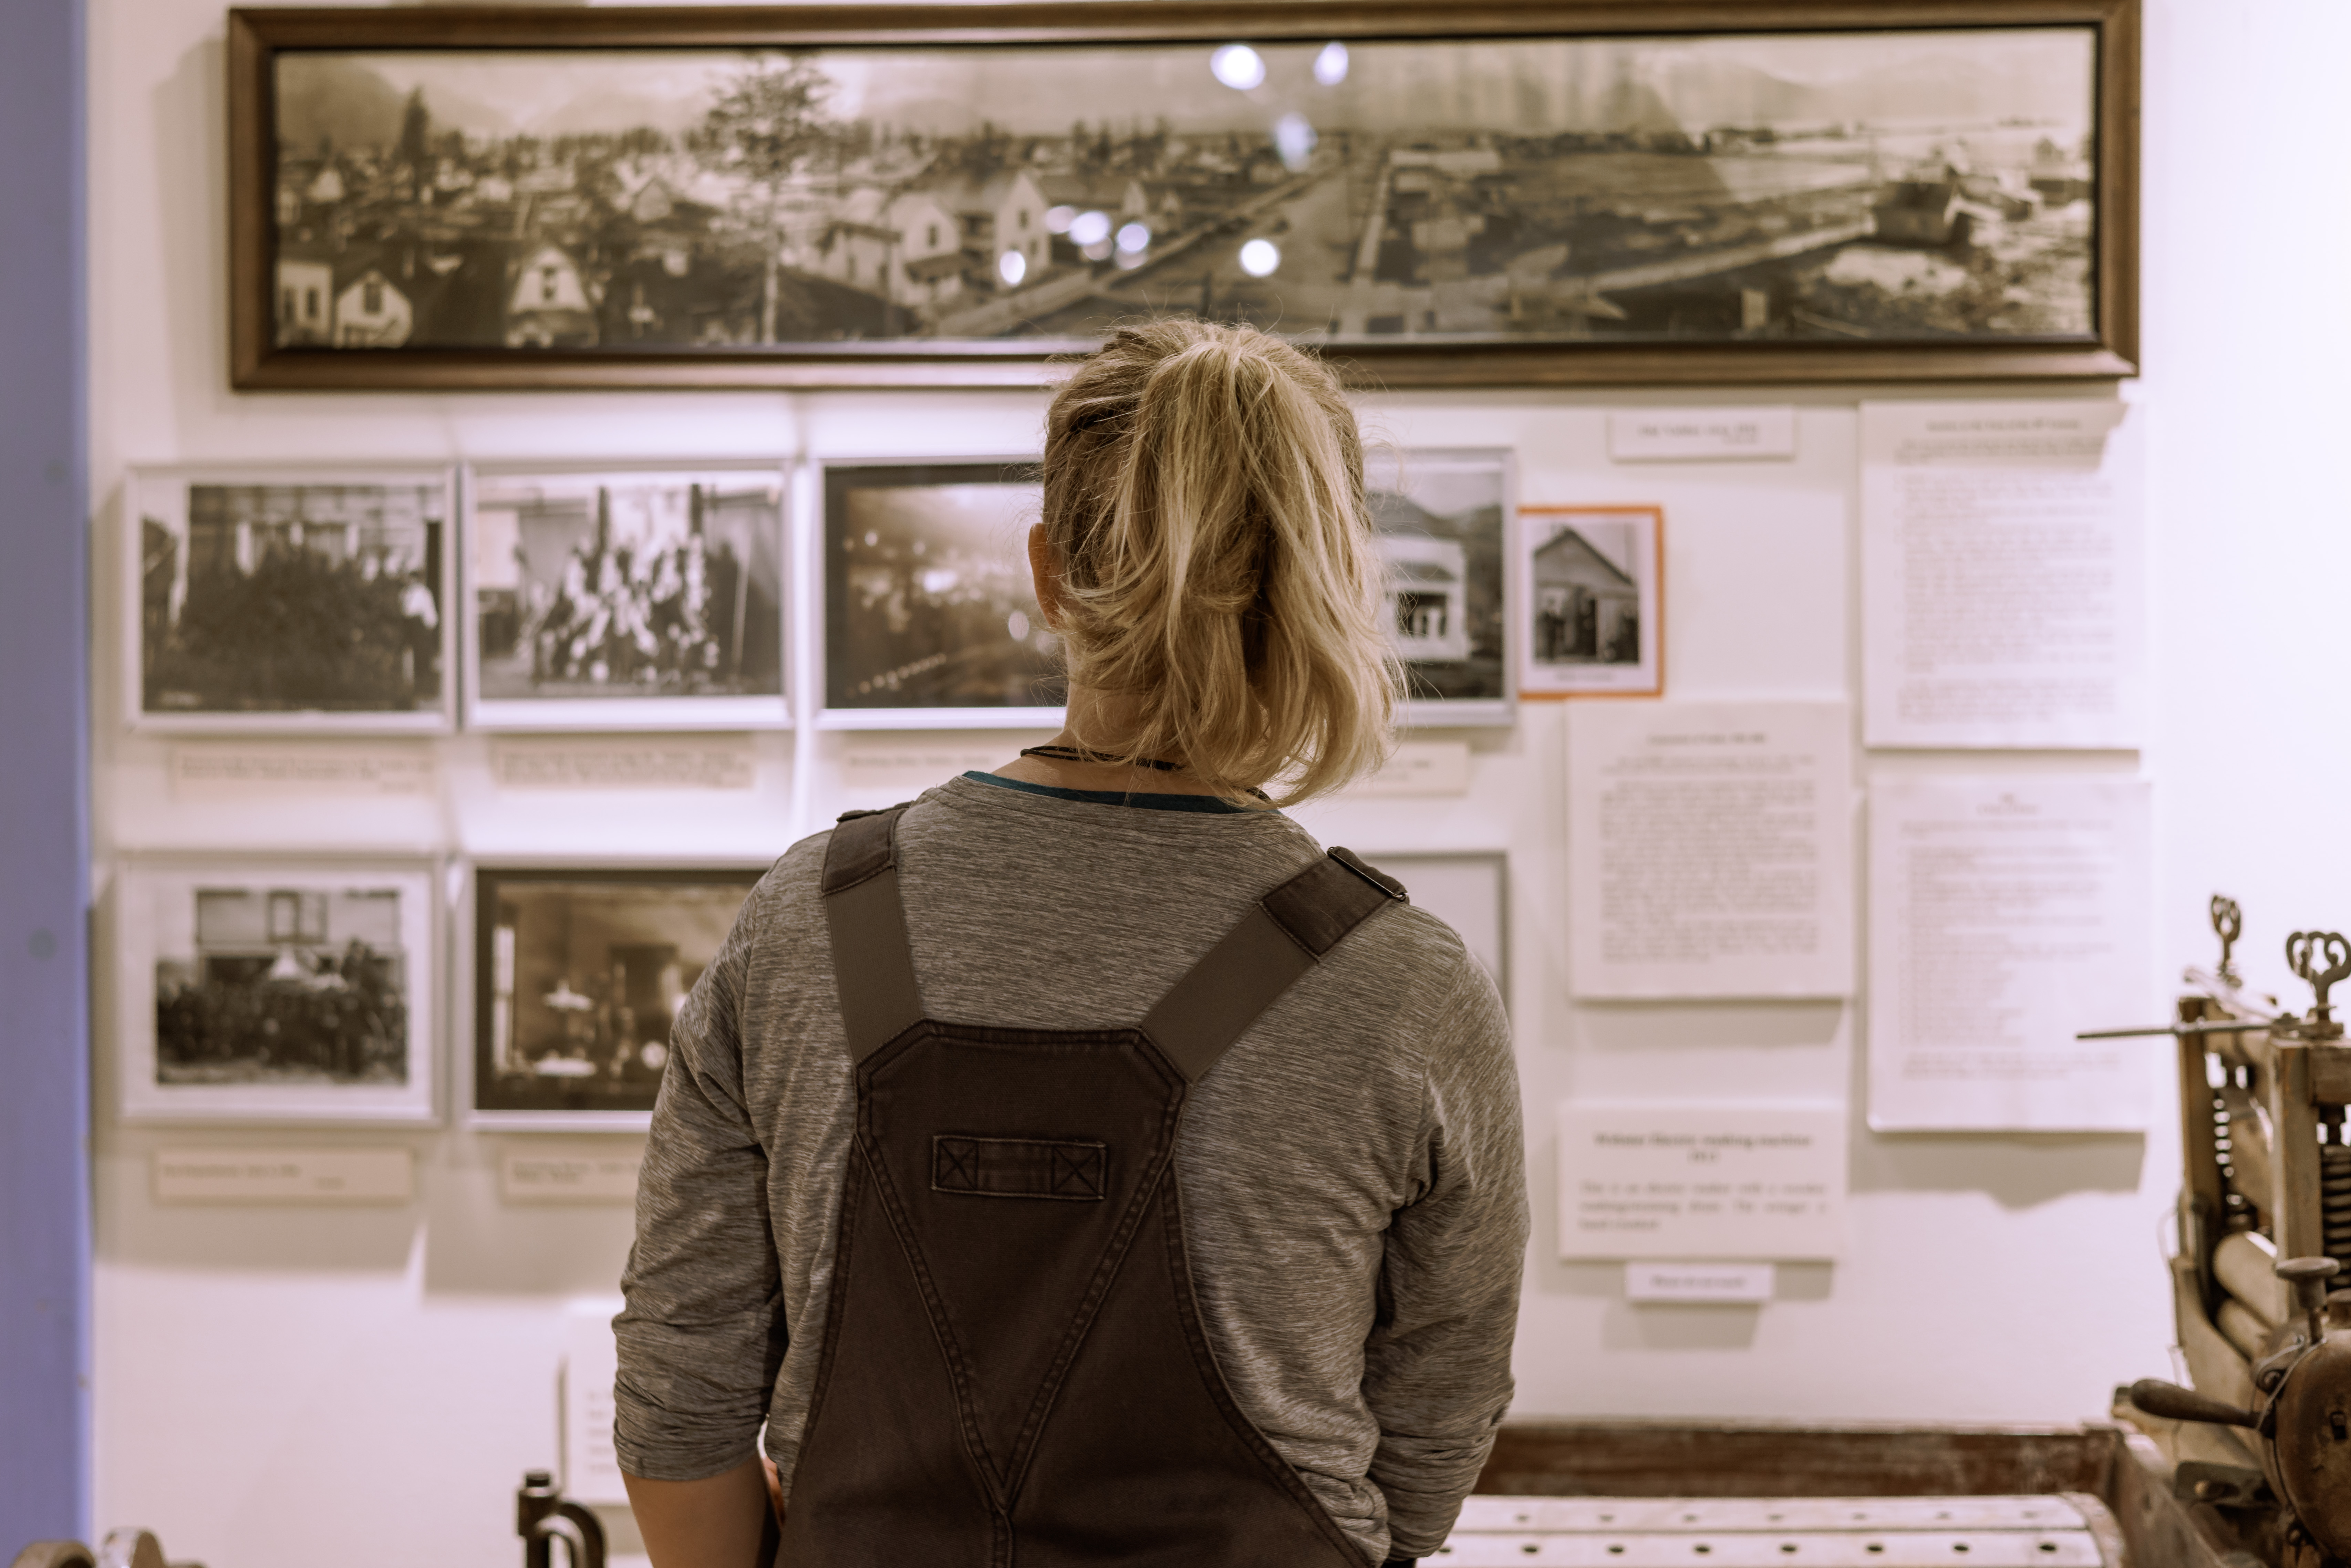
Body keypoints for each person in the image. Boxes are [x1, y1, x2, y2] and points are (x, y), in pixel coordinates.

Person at [614, 320, 1527, 1568]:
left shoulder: (811, 922)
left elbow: (680, 1396)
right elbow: (1428, 1440)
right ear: (1328, 585)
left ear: (1048, 572)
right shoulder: (1403, 983)